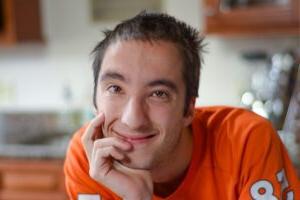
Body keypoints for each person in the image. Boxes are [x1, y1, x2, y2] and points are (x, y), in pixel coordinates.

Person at [64, 11, 300, 200]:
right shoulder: (87, 159)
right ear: (95, 101)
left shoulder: (246, 142)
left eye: (158, 93)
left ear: (189, 109)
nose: (133, 119)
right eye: (115, 89)